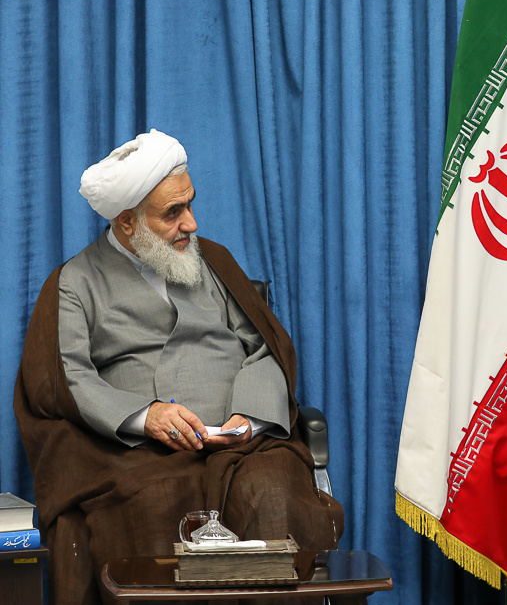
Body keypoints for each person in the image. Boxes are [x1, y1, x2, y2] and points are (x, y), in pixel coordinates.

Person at [14, 130, 344, 605]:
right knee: (154, 503)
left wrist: (249, 418)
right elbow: (68, 379)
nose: (191, 223)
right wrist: (144, 416)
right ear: (128, 222)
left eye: (190, 204)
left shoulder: (214, 261)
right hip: (139, 455)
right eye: (173, 212)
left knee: (272, 493)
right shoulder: (74, 283)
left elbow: (263, 348)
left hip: (243, 447)